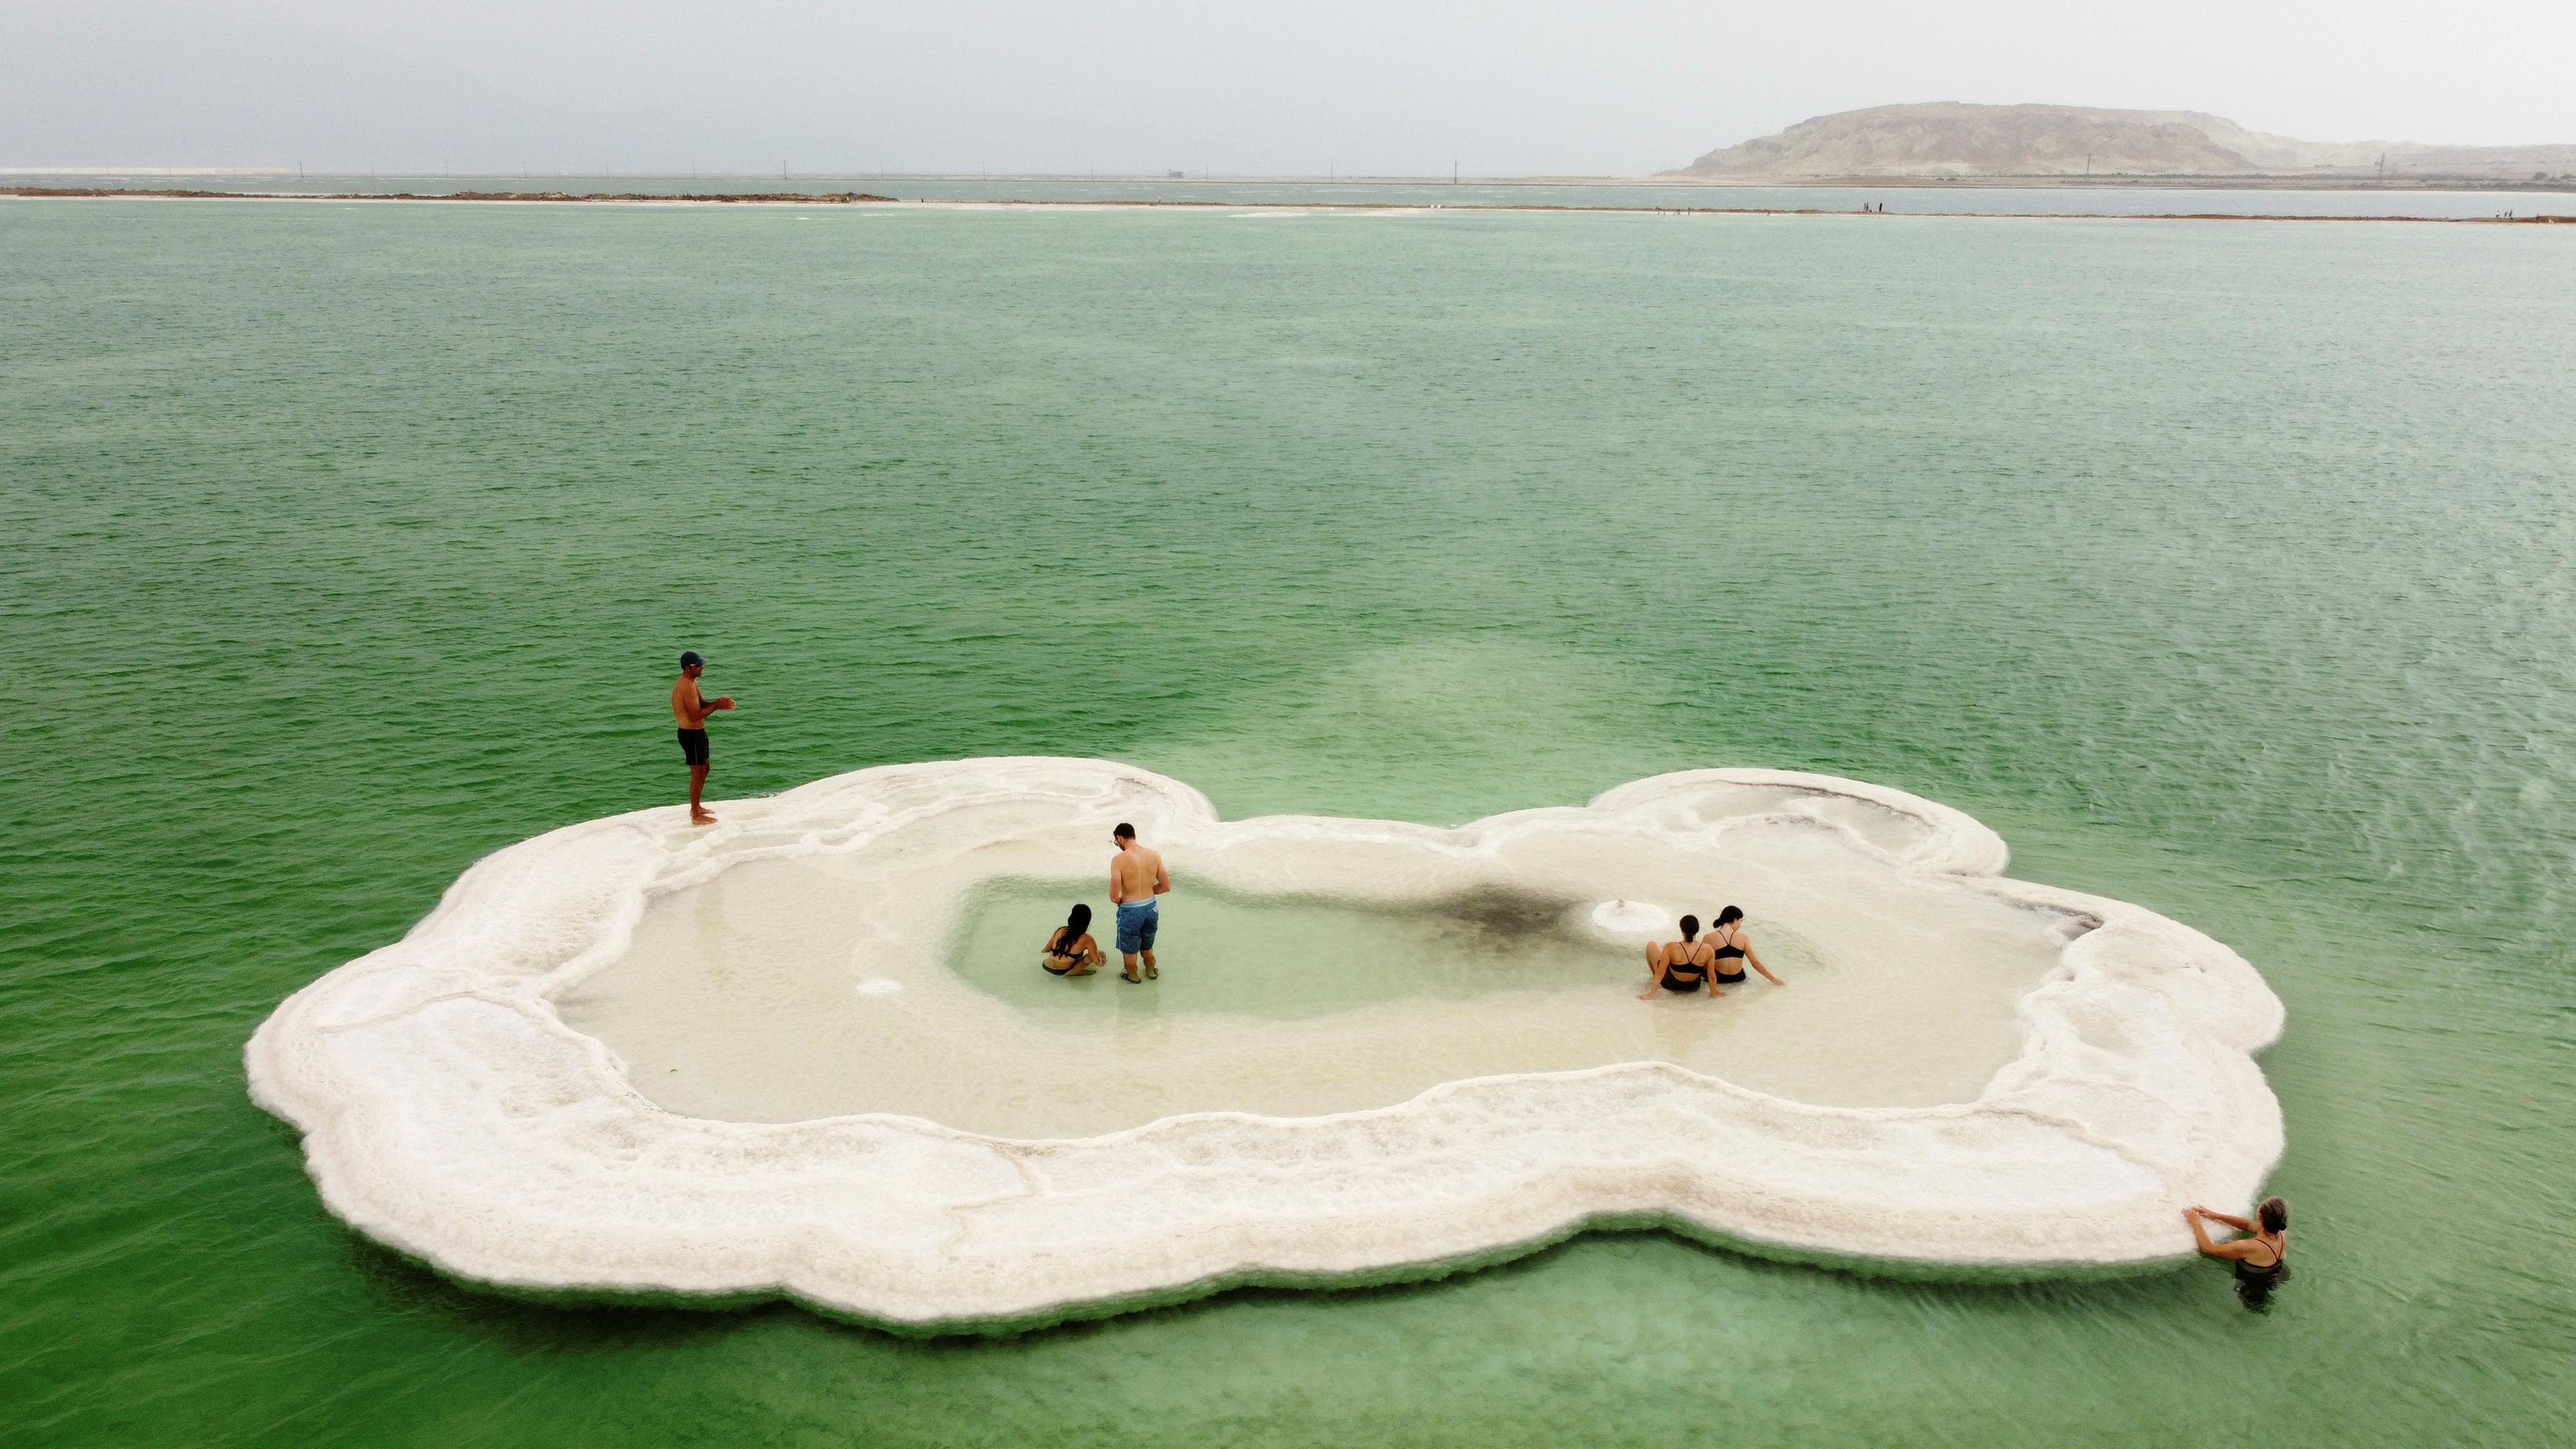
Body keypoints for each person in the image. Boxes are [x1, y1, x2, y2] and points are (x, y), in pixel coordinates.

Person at [2186, 1198, 2291, 1311]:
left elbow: (2208, 1248)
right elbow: (2248, 1225)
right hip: (2280, 1272)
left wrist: (2195, 1222)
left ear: (2260, 1215)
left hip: (2254, 1284)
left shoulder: (2248, 1247)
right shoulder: (2281, 1232)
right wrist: (2216, 1216)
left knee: (2253, 1307)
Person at [669, 650, 735, 825]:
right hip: (690, 734)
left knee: (705, 768)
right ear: (687, 668)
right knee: (698, 773)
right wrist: (717, 706)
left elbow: (702, 704)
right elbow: (695, 715)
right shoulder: (685, 686)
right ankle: (695, 812)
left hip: (698, 733)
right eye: (698, 666)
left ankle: (697, 806)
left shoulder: (693, 682)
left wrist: (718, 703)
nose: (702, 668)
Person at [1109, 822, 1170, 983]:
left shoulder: (1118, 860)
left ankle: (1133, 976)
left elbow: (1114, 896)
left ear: (1119, 838)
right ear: (1134, 836)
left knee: (1130, 947)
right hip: (1151, 907)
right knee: (1147, 943)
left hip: (1131, 910)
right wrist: (1148, 890)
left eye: (1116, 842)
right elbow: (1165, 886)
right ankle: (1151, 971)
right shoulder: (1154, 855)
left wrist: (1122, 900)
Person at [1639, 913, 1719, 999]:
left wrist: (1651, 995)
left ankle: (1655, 981)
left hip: (1671, 984)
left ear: (1682, 930)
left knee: (1651, 945)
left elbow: (1660, 973)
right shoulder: (1708, 949)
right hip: (1693, 986)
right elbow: (1712, 975)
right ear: (1697, 930)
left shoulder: (1670, 947)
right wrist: (1714, 993)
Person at [1705, 906, 1784, 986]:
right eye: (1740, 921)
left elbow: (1703, 963)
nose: (1740, 925)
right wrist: (1774, 980)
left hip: (1718, 978)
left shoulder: (1709, 938)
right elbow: (1755, 963)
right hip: (1738, 978)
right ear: (1735, 919)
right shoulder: (1743, 938)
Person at [1041, 903, 1104, 977]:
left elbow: (1046, 949)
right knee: (1100, 954)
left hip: (1046, 965)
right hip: (1063, 972)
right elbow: (1097, 962)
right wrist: (1103, 962)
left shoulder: (1061, 930)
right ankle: (1075, 972)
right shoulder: (1088, 939)